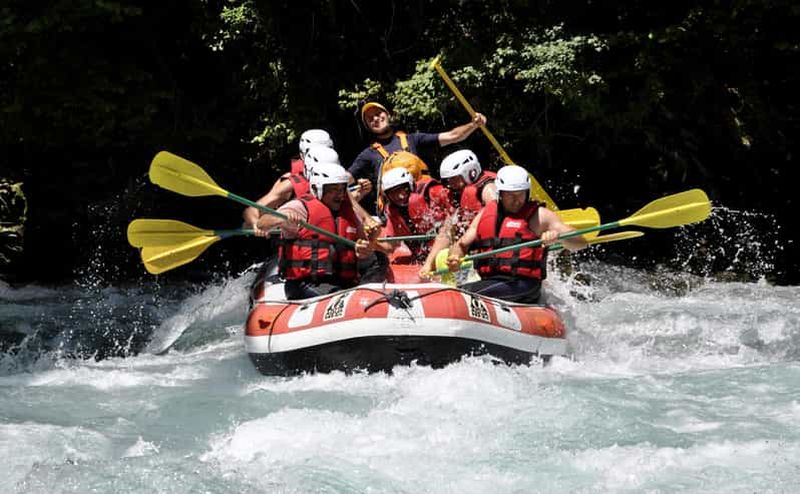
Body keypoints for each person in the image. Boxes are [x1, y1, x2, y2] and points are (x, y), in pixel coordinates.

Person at [434, 165, 586, 304]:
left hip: (523, 285)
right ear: (500, 194)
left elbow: (581, 242)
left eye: (521, 195)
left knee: (461, 294)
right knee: (463, 288)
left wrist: (558, 237)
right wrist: (454, 257)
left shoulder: (540, 216)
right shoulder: (486, 214)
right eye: (510, 195)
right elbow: (461, 245)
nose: (517, 201)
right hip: (491, 281)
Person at [256, 162, 380, 300]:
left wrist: (363, 250)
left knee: (381, 260)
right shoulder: (300, 207)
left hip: (343, 283)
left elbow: (363, 244)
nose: (339, 195)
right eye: (333, 190)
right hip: (307, 284)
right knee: (335, 293)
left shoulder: (348, 212)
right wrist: (282, 219)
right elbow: (263, 223)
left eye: (341, 189)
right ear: (317, 188)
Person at [349, 101, 487, 213]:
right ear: (367, 126)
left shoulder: (413, 139)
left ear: (388, 115)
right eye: (370, 118)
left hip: (424, 200)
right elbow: (346, 177)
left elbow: (453, 136)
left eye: (378, 113)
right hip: (396, 209)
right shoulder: (368, 154)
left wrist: (474, 125)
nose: (376, 118)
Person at [243, 142, 371, 236]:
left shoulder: (337, 183)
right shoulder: (290, 184)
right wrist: (257, 225)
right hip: (295, 238)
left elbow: (348, 206)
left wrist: (360, 194)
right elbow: (253, 209)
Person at [373, 167, 452, 264]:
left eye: (401, 190)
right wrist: (372, 243)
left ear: (410, 185)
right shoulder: (392, 211)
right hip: (422, 254)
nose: (399, 196)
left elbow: (455, 212)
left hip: (447, 246)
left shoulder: (432, 192)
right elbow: (390, 245)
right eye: (393, 193)